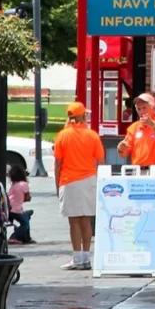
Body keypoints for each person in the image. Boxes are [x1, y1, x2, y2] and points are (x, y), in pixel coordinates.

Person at [54, 102, 103, 269]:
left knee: (73, 221)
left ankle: (76, 258)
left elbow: (57, 164)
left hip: (69, 181)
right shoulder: (92, 135)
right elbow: (101, 161)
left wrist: (57, 185)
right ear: (83, 116)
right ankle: (86, 257)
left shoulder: (62, 135)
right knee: (86, 220)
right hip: (89, 180)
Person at [117, 94, 155, 166]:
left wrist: (153, 125)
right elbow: (123, 155)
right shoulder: (133, 128)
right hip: (138, 170)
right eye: (139, 109)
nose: (141, 111)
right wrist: (120, 149)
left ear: (152, 107)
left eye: (144, 108)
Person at [6, 165, 33, 245]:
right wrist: (27, 198)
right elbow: (27, 198)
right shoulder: (24, 184)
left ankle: (26, 238)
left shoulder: (14, 184)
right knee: (25, 224)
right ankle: (13, 237)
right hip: (16, 209)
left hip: (9, 208)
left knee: (26, 218)